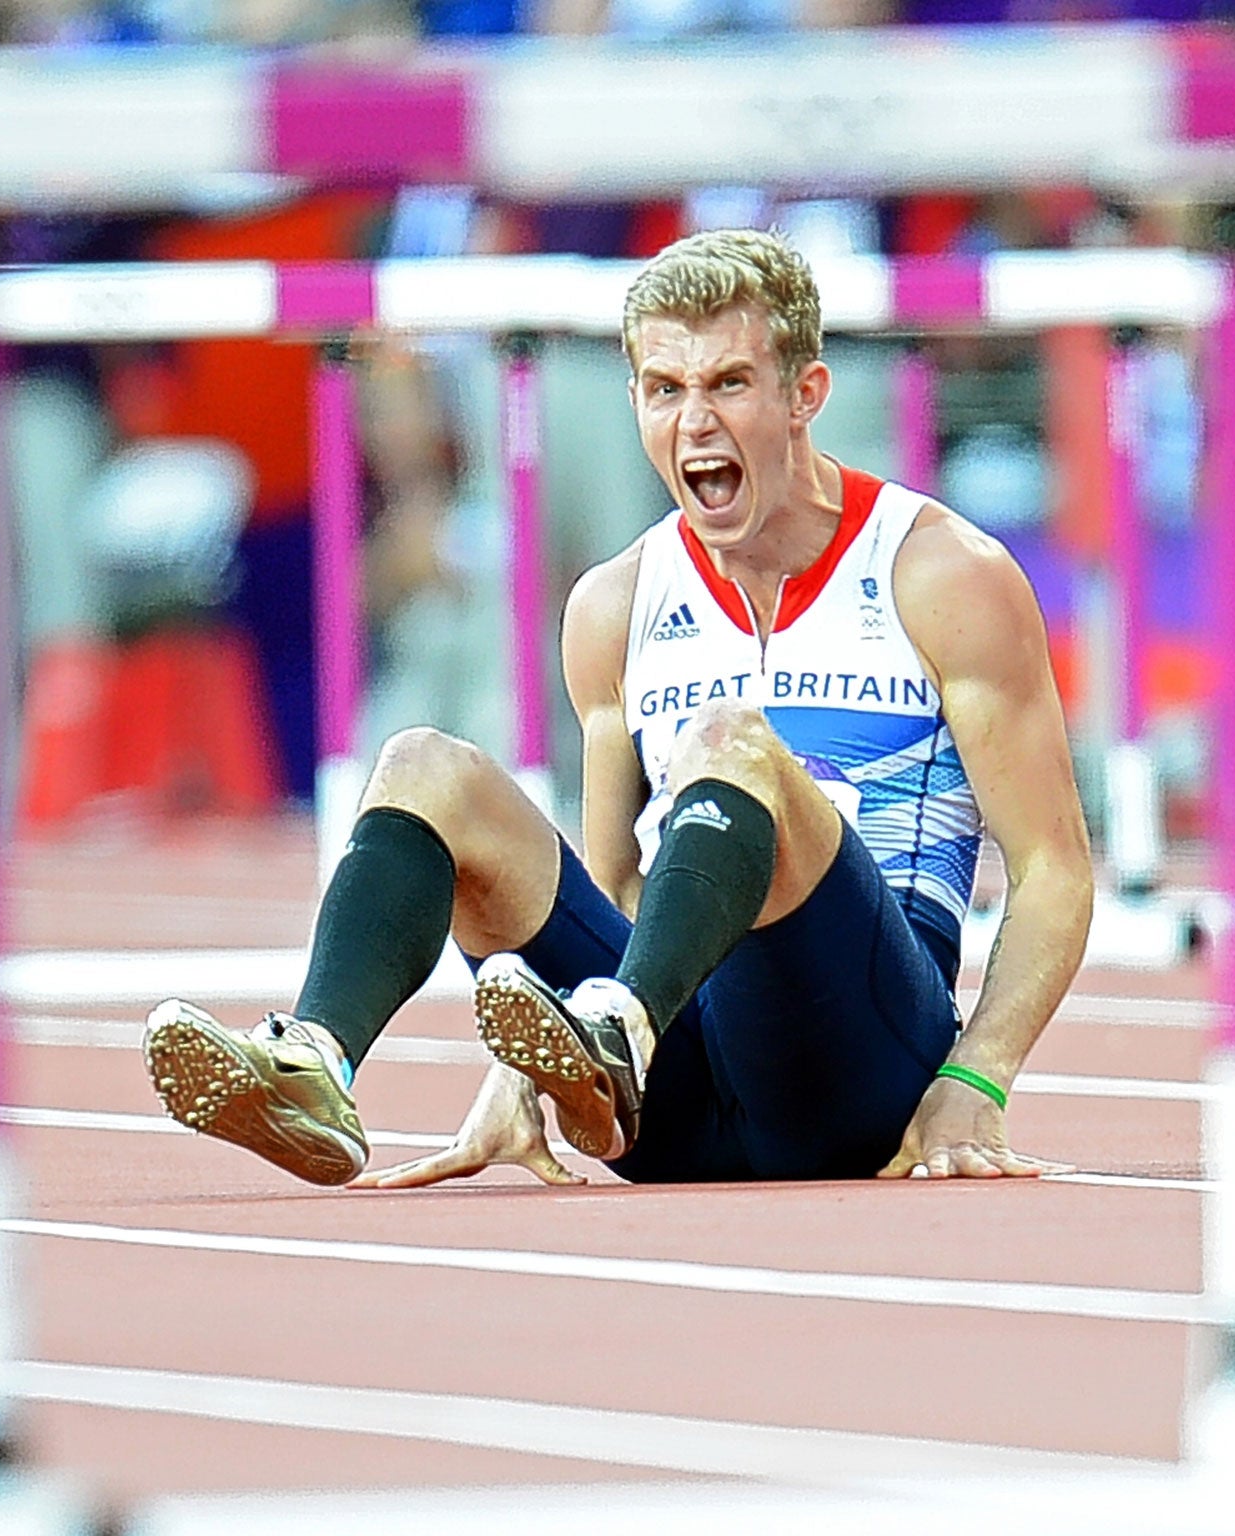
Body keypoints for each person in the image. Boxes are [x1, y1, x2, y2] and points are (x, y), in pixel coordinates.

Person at [142, 228, 1095, 1187]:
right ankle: (318, 1060)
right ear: (634, 399)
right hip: (667, 1107)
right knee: (424, 766)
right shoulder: (616, 603)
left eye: (729, 383)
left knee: (731, 743)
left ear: (804, 395)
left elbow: (1052, 866)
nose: (696, 423)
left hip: (858, 1075)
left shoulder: (939, 571)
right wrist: (524, 1074)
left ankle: (617, 1030)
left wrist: (979, 1076)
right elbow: (606, 888)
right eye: (665, 390)